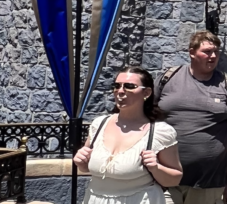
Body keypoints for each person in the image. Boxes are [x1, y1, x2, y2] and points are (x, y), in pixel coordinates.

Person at [155, 31, 227, 204]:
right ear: (192, 52)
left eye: (216, 51)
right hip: (163, 176)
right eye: (207, 51)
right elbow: (145, 113)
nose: (213, 56)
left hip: (208, 182)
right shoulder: (167, 78)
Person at [74, 67, 182, 204]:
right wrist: (81, 162)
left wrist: (155, 167)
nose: (120, 91)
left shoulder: (159, 132)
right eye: (116, 86)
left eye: (129, 86)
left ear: (147, 92)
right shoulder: (99, 124)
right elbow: (87, 167)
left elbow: (175, 178)